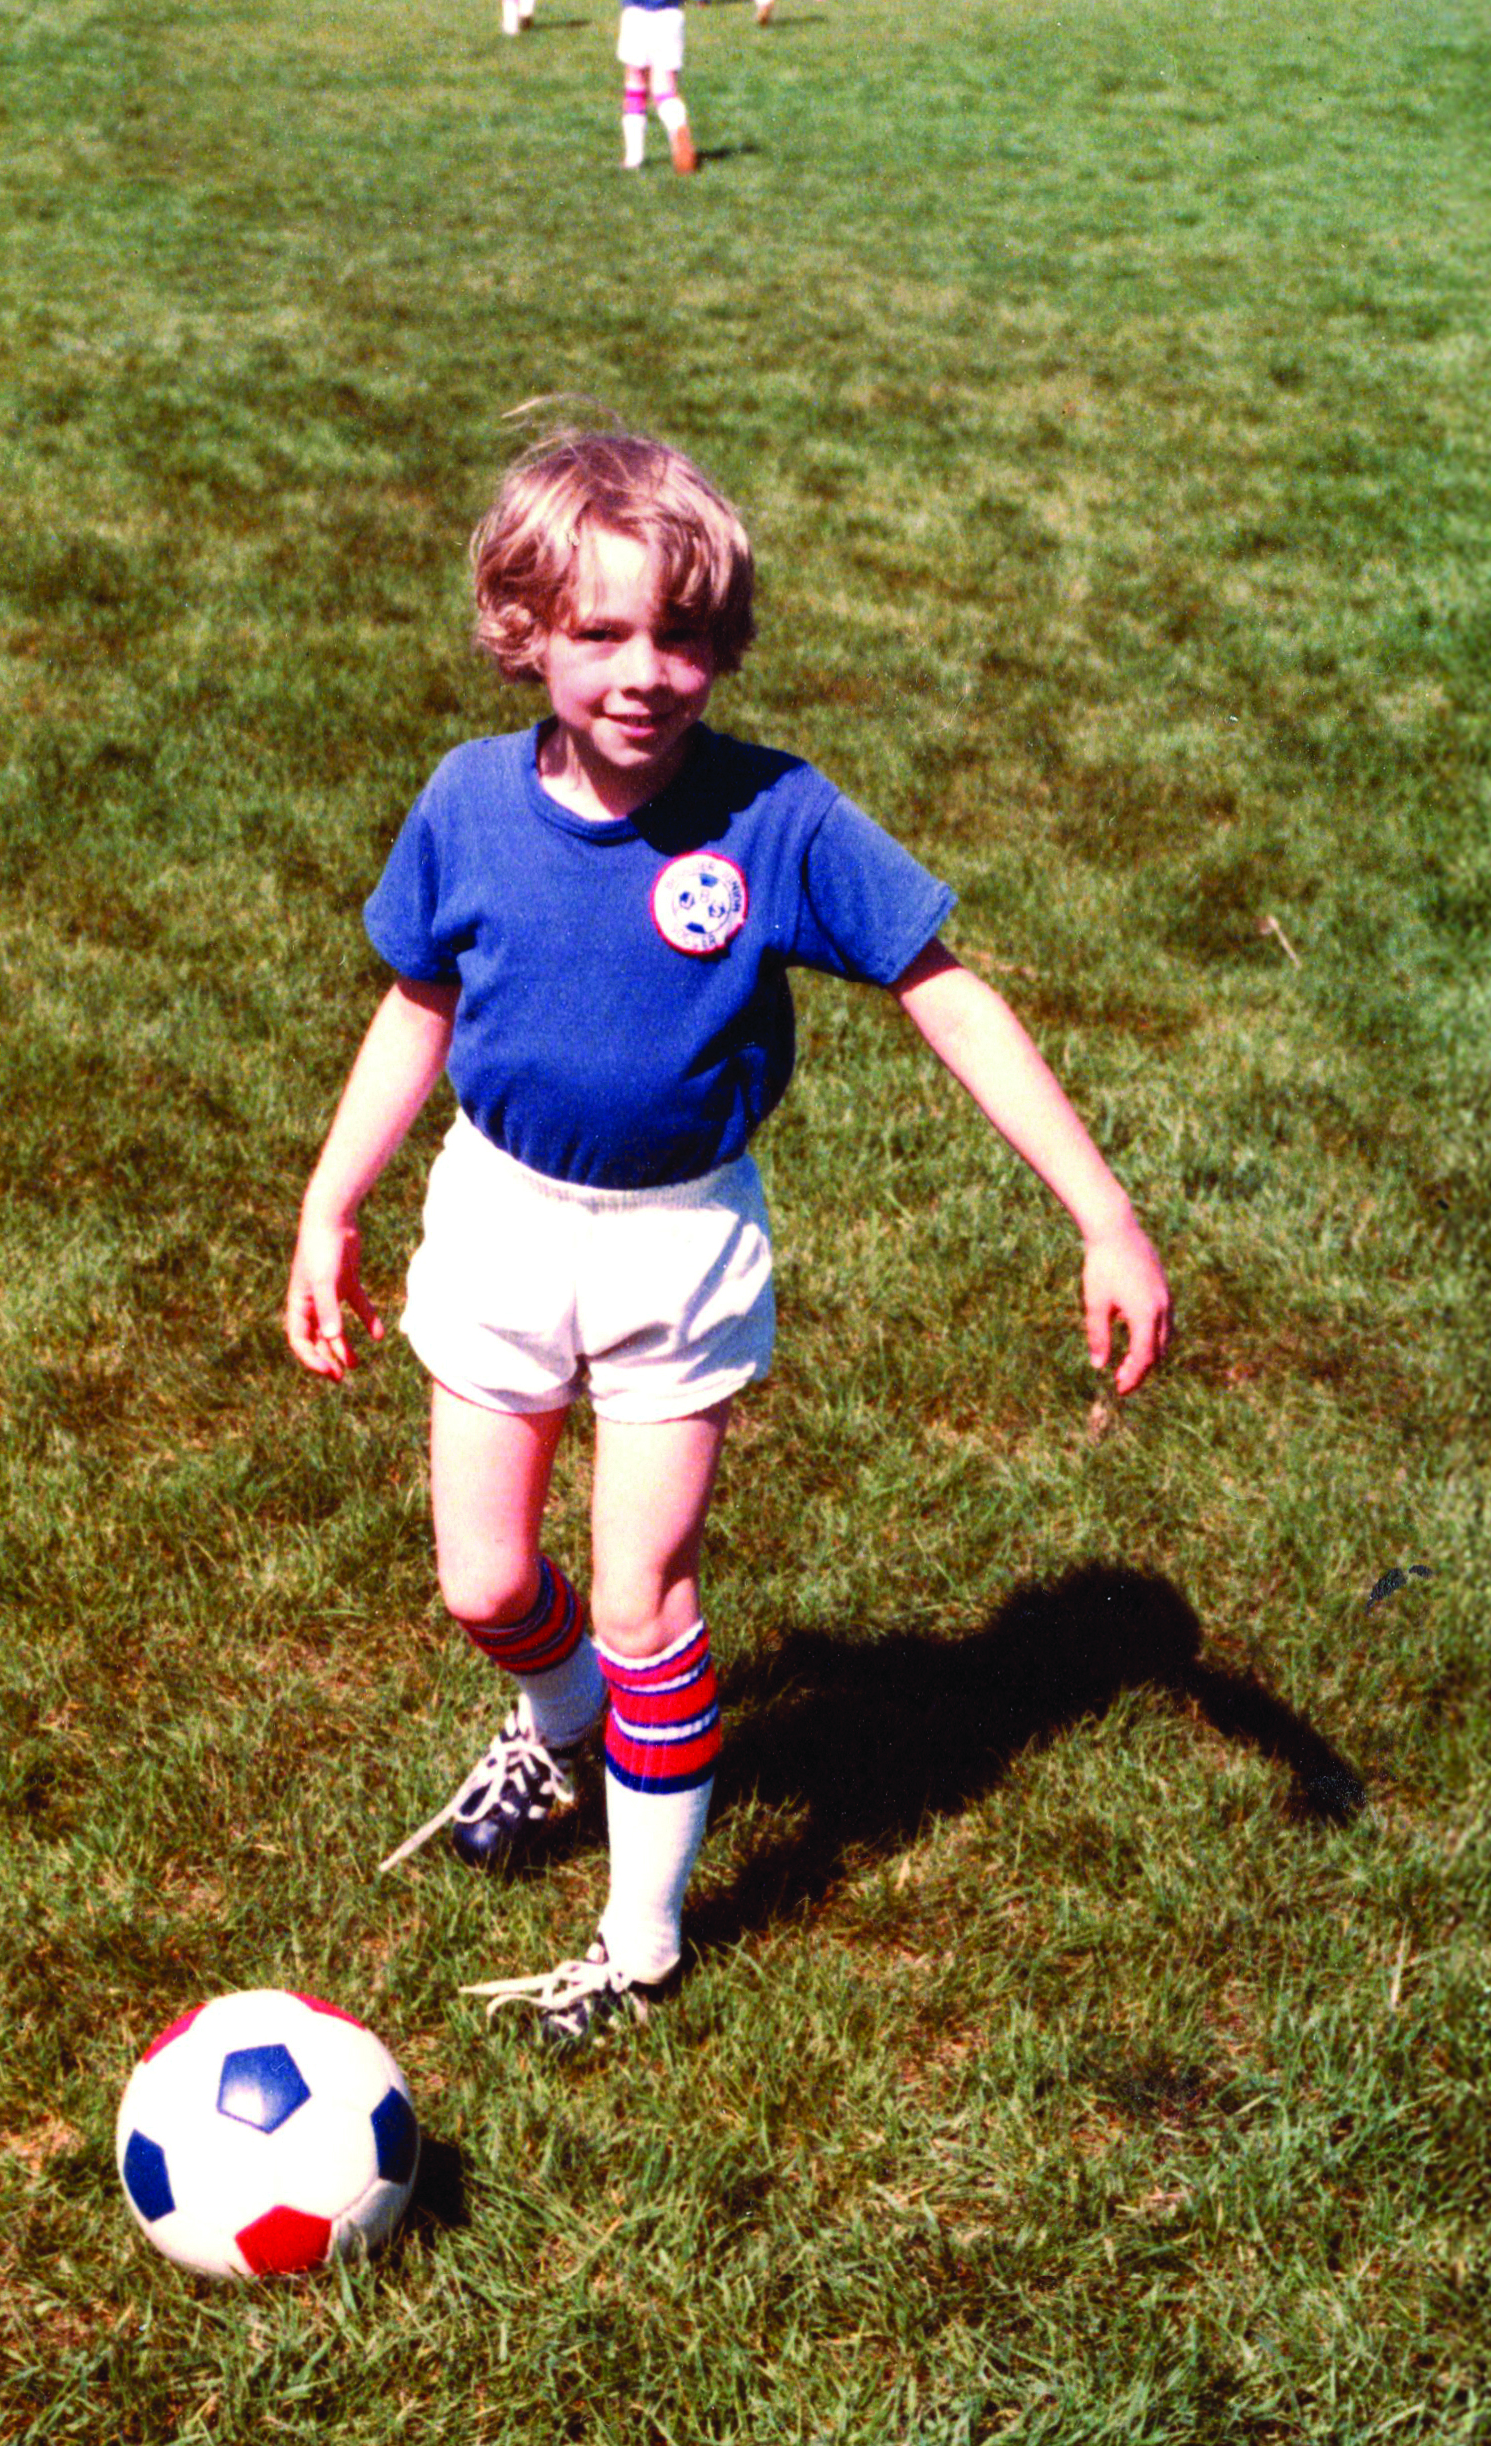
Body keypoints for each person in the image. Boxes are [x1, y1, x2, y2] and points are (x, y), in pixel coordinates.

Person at [283, 424, 1172, 2048]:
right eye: (602, 631)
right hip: (498, 1215)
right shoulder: (467, 802)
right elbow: (416, 1004)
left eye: (683, 636)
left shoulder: (777, 815)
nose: (645, 673)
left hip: (673, 1249)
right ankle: (558, 1723)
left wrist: (1102, 1214)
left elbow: (946, 995)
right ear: (522, 630)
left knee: (645, 1601)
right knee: (485, 1579)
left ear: (727, 643)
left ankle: (638, 1946)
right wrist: (332, 1202)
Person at [614, 0, 699, 171]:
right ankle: (677, 124)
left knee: (635, 85)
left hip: (636, 15)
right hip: (670, 15)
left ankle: (633, 158)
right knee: (665, 89)